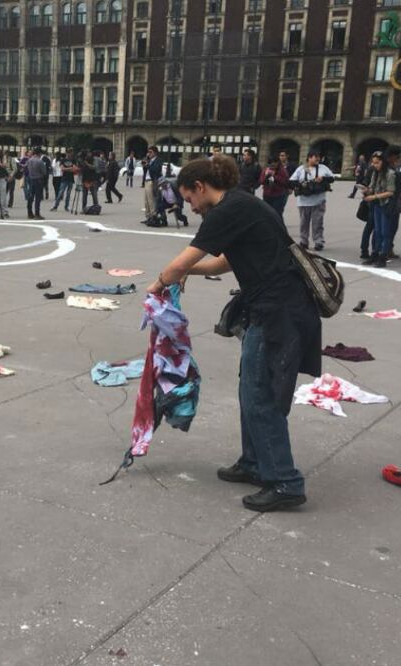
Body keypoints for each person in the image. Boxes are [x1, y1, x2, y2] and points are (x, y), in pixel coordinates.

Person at [148, 154, 320, 512]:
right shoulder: (242, 204)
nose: (190, 207)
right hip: (273, 309)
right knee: (251, 389)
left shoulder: (228, 209)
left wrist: (158, 284)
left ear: (200, 187)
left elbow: (185, 257)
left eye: (189, 198)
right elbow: (225, 261)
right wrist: (187, 275)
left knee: (261, 395)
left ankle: (285, 481)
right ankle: (255, 462)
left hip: (278, 313)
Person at [289, 149, 334, 251]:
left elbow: (332, 179)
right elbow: (291, 181)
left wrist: (322, 179)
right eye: (316, 157)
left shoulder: (323, 168)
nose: (318, 159)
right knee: (304, 223)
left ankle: (318, 242)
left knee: (318, 223)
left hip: (319, 201)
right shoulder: (301, 169)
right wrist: (304, 184)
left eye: (318, 157)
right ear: (309, 158)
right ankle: (304, 241)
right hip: (303, 202)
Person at [358, 151, 395, 267]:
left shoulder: (390, 174)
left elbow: (390, 192)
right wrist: (366, 190)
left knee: (385, 232)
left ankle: (383, 256)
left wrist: (374, 196)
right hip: (377, 205)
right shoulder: (375, 173)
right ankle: (375, 254)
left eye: (377, 163)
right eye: (373, 163)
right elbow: (372, 187)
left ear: (383, 162)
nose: (375, 165)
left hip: (385, 205)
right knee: (377, 231)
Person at [25, 148, 48, 220]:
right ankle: (37, 214)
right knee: (38, 198)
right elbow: (44, 172)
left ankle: (29, 212)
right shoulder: (40, 161)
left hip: (31, 179)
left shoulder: (29, 160)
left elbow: (27, 169)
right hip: (38, 180)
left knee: (30, 197)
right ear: (39, 153)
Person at [144, 146, 163, 219]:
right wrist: (146, 164)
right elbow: (146, 170)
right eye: (148, 152)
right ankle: (148, 217)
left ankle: (153, 216)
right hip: (146, 181)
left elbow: (156, 170)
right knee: (146, 201)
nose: (149, 154)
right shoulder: (149, 160)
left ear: (155, 153)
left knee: (151, 200)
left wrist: (148, 165)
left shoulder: (158, 160)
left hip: (152, 181)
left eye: (150, 152)